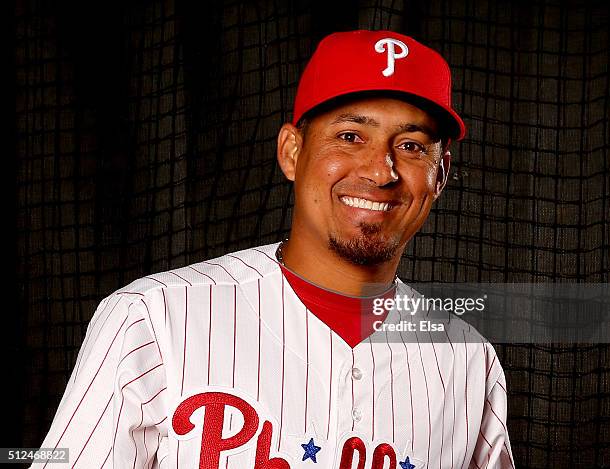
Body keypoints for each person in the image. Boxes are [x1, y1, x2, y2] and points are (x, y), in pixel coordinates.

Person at [33, 30, 514, 469]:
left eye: (410, 146)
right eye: (350, 137)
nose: (380, 170)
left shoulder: (468, 360)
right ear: (291, 152)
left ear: (441, 175)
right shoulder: (154, 318)